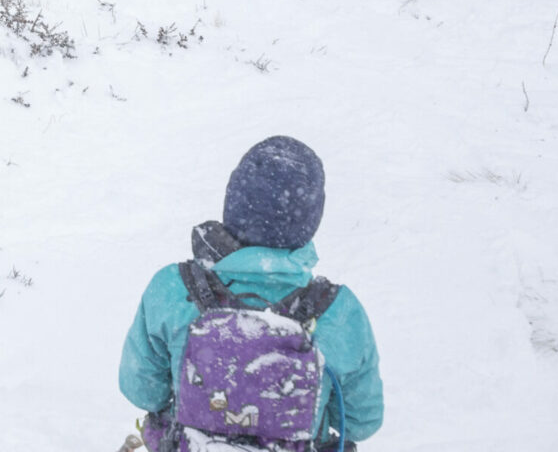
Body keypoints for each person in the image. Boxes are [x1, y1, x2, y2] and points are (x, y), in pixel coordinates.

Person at [119, 137, 383, 450]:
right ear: (312, 218)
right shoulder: (339, 311)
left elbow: (141, 390)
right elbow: (361, 421)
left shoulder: (173, 289)